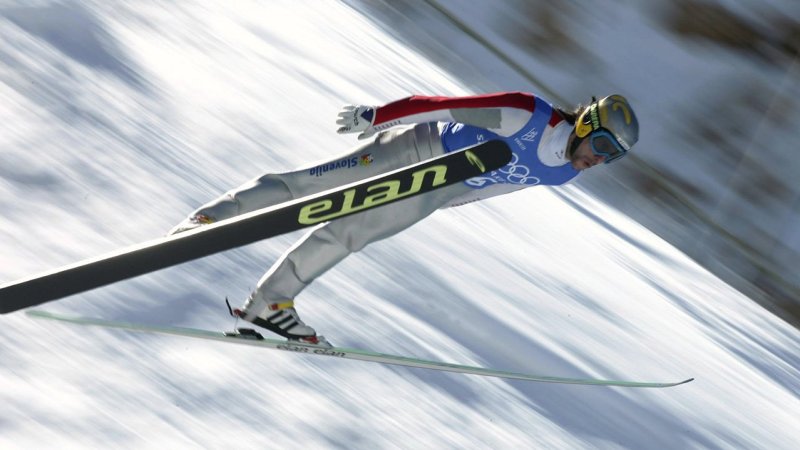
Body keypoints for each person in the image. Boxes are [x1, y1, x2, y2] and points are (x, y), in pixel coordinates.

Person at [170, 92, 639, 345]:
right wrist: (379, 117)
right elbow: (442, 105)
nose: (598, 161)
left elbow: (496, 185)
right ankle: (210, 219)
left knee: (346, 236)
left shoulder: (562, 174)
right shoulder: (527, 114)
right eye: (601, 146)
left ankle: (270, 306)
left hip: (435, 188)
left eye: (611, 158)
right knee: (309, 187)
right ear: (585, 125)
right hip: (418, 148)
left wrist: (440, 202)